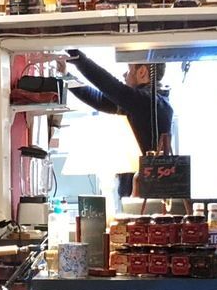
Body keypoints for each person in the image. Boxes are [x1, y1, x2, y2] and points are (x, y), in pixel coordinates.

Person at [63, 49, 175, 196]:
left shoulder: (148, 102)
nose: (124, 75)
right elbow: (98, 99)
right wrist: (66, 75)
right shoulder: (147, 102)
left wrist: (79, 59)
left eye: (128, 70)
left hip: (143, 189)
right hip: (139, 186)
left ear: (142, 72)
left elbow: (111, 86)